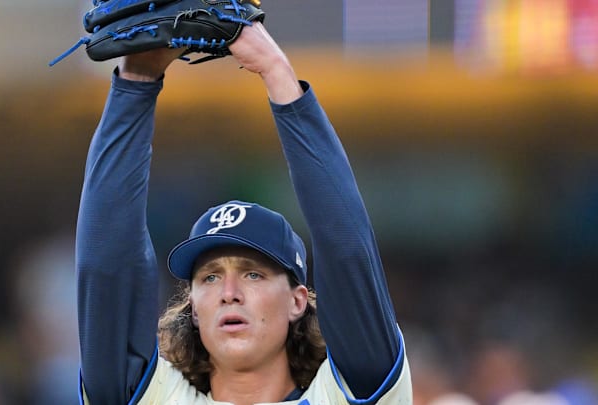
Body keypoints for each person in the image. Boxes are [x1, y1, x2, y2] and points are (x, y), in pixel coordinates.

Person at [75, 21, 412, 405]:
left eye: (253, 273)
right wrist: (135, 82)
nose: (229, 294)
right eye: (210, 278)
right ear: (194, 310)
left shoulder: (344, 396)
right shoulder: (156, 398)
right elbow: (106, 263)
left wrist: (277, 73)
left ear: (297, 301)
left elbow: (348, 249)